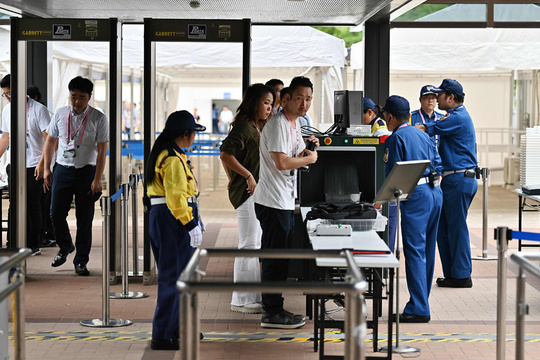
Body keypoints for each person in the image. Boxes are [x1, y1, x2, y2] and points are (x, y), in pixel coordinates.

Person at [253, 76, 319, 329]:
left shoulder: (295, 123)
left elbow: (295, 155)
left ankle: (275, 308)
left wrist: (307, 152)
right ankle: (271, 312)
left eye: (309, 99)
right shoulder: (279, 124)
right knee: (274, 258)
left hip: (283, 199)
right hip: (272, 201)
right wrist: (309, 160)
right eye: (300, 98)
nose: (304, 104)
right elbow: (282, 162)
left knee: (280, 258)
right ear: (287, 98)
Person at [145, 110, 205, 350]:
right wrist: (189, 223)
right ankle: (162, 334)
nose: (194, 138)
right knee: (174, 277)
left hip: (168, 218)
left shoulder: (171, 154)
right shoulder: (171, 158)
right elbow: (176, 197)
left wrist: (195, 218)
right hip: (173, 221)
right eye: (193, 134)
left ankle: (178, 328)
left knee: (181, 276)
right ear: (185, 134)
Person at [382, 95, 443, 323]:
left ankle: (418, 308)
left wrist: (379, 200)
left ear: (389, 117)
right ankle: (422, 301)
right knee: (427, 250)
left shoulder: (395, 138)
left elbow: (394, 177)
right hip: (435, 193)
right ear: (408, 115)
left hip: (416, 197)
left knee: (415, 251)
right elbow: (437, 163)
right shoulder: (423, 134)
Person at [43, 76, 109, 276]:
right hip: (62, 168)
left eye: (82, 97)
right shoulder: (60, 114)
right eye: (73, 96)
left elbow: (102, 149)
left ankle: (81, 261)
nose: (77, 101)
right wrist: (47, 168)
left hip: (86, 171)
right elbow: (51, 142)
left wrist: (97, 179)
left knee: (84, 219)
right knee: (55, 213)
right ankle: (65, 246)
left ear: (89, 97)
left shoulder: (99, 118)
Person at [415, 79, 478, 288]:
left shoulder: (457, 117)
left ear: (451, 97)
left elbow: (430, 128)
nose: (436, 99)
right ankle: (453, 273)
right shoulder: (455, 116)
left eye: (439, 95)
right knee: (445, 227)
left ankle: (462, 275)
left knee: (457, 227)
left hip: (459, 178)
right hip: (455, 178)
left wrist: (416, 128)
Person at [220, 84, 275, 314]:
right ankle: (241, 299)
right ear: (254, 103)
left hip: (256, 192)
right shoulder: (244, 127)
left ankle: (250, 296)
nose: (269, 109)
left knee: (253, 244)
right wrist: (244, 176)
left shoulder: (257, 126)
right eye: (265, 103)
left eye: (271, 104)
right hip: (247, 193)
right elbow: (225, 153)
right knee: (248, 244)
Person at [0, 75, 51, 254]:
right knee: (14, 204)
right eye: (5, 95)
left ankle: (33, 243)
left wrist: (43, 165)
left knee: (32, 204)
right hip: (15, 164)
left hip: (34, 164)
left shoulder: (39, 110)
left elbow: (49, 140)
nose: (8, 98)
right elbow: (5, 137)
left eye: (11, 94)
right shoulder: (7, 110)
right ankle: (13, 242)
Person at [26, 85, 56, 248]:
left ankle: (39, 239)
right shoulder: (9, 110)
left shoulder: (42, 112)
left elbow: (52, 143)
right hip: (29, 165)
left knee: (39, 205)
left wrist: (45, 167)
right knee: (38, 204)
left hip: (41, 165)